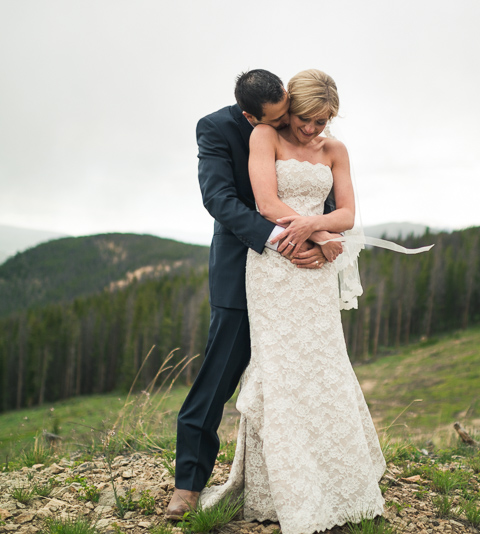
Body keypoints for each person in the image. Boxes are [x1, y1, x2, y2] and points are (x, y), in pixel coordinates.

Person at [198, 69, 385, 534]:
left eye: (322, 122)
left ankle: (341, 485)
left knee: (323, 366)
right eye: (305, 119)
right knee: (280, 369)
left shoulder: (335, 150)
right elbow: (265, 203)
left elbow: (347, 212)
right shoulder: (265, 135)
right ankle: (282, 490)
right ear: (289, 109)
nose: (312, 129)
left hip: (317, 272)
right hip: (277, 263)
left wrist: (324, 232)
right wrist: (316, 231)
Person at [166, 69, 332, 520]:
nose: (288, 127)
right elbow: (219, 199)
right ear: (249, 114)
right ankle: (188, 485)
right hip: (242, 273)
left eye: (289, 116)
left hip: (301, 279)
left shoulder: (298, 118)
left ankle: (309, 483)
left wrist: (321, 237)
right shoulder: (217, 128)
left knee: (304, 380)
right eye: (277, 121)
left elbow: (322, 188)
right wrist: (286, 240)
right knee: (217, 380)